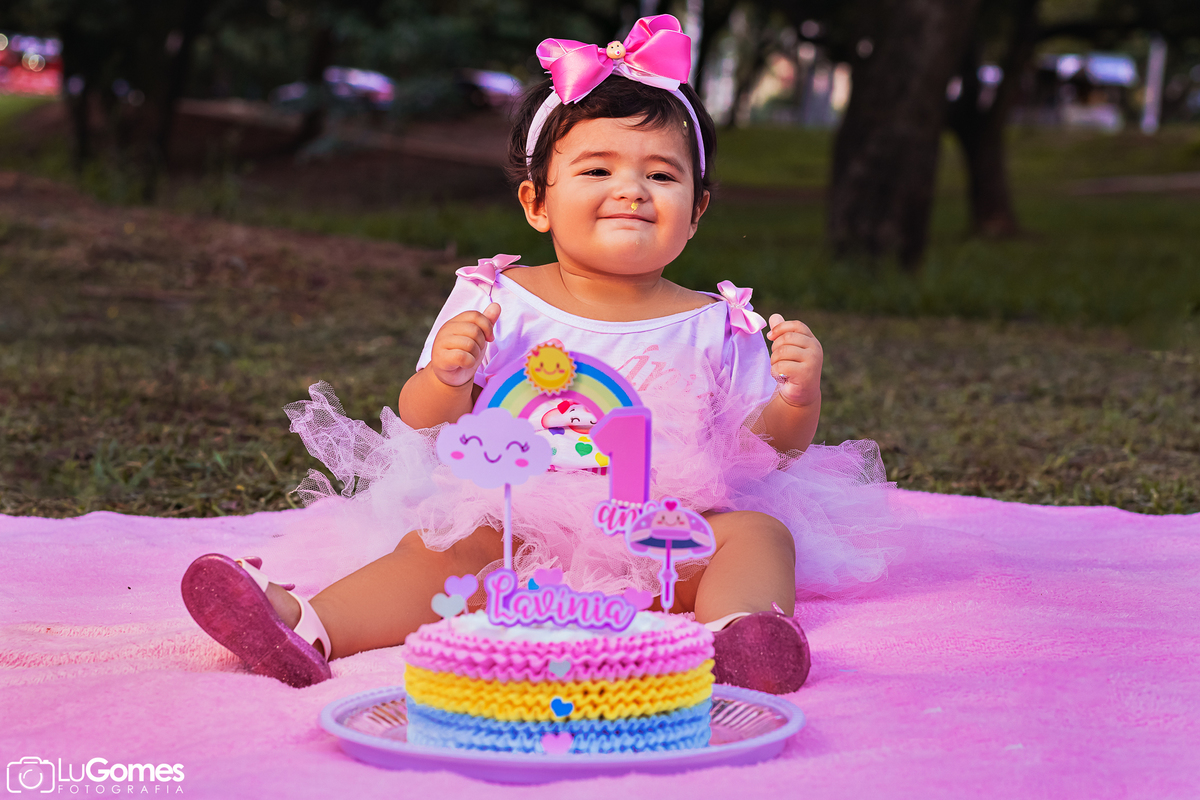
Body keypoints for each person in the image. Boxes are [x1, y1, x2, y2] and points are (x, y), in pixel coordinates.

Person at [182, 15, 900, 695]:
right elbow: (425, 420)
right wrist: (447, 377)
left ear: (697, 210)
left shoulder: (717, 323)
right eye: (597, 171)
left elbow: (766, 452)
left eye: (661, 175)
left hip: (662, 536)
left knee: (759, 534)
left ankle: (738, 637)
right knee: (438, 552)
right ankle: (306, 626)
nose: (631, 190)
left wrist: (797, 398)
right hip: (511, 529)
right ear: (536, 203)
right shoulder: (499, 298)